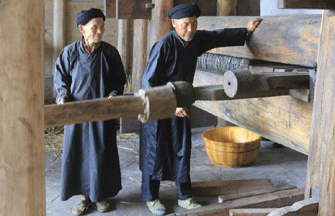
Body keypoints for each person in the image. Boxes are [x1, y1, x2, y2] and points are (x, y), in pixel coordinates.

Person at [140, 3, 262, 215]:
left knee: (181, 150)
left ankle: (185, 196)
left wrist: (247, 31)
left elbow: (218, 36)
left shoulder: (195, 40)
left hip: (181, 105)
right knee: (155, 151)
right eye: (185, 24)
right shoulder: (165, 45)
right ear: (174, 23)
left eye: (194, 24)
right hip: (159, 107)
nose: (190, 29)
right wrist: (171, 104)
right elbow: (148, 82)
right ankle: (151, 197)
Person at [54, 8, 127, 215]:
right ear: (82, 29)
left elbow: (119, 80)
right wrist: (63, 96)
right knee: (78, 154)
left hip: (101, 113)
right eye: (95, 27)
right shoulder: (69, 53)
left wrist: (114, 94)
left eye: (102, 26)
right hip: (77, 114)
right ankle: (84, 199)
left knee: (100, 153)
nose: (100, 31)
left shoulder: (110, 53)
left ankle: (99, 195)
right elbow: (61, 80)